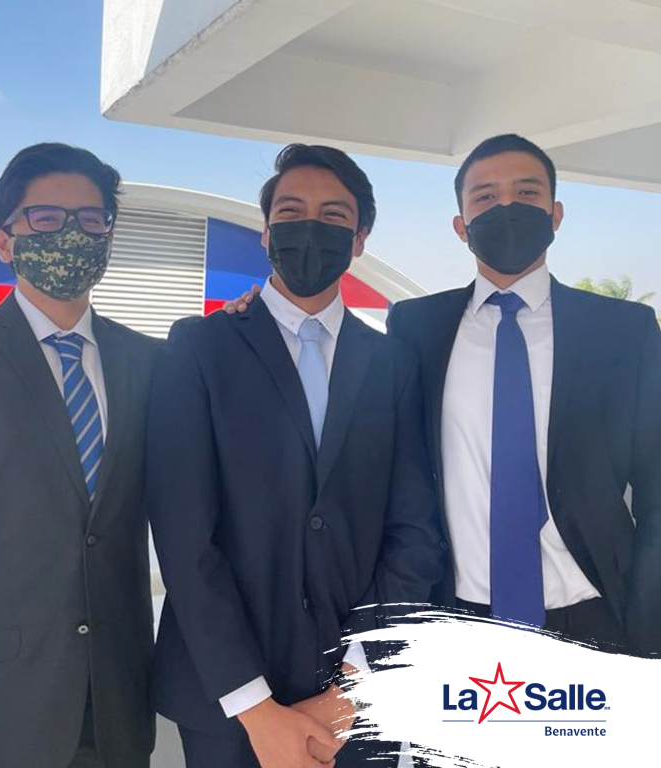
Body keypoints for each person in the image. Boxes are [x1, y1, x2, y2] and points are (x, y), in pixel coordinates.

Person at [147, 144, 445, 768]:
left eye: (333, 216)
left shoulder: (391, 363)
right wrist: (255, 708)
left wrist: (352, 689)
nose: (310, 226)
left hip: (360, 701)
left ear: (359, 240)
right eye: (290, 211)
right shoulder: (199, 348)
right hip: (227, 703)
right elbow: (184, 537)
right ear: (265, 232)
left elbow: (413, 531)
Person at [0, 143, 161, 768]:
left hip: (119, 708)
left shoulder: (152, 365)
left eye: (91, 219)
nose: (72, 233)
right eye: (46, 218)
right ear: (3, 241)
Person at [387, 134, 661, 655]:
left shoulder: (624, 331)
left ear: (556, 214)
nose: (507, 207)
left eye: (527, 193)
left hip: (595, 618)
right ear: (461, 226)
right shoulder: (415, 327)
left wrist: (650, 625)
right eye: (486, 197)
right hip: (456, 623)